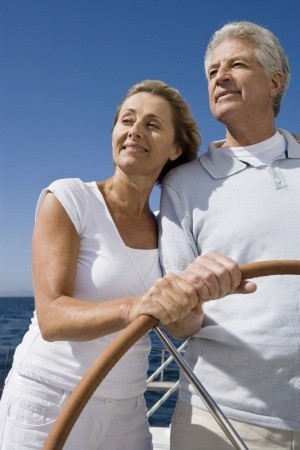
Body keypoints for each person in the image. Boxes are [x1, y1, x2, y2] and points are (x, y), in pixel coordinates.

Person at [0, 80, 254, 450]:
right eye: (127, 120)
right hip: (50, 400)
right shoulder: (70, 198)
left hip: (127, 410)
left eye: (152, 124)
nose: (135, 130)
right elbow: (52, 318)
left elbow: (180, 326)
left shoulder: (169, 226)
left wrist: (196, 302)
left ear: (175, 149)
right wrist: (136, 307)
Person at [159, 22, 300, 449]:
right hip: (225, 419)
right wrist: (192, 290)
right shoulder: (183, 185)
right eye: (211, 71)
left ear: (275, 81)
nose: (219, 77)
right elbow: (178, 322)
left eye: (236, 64)